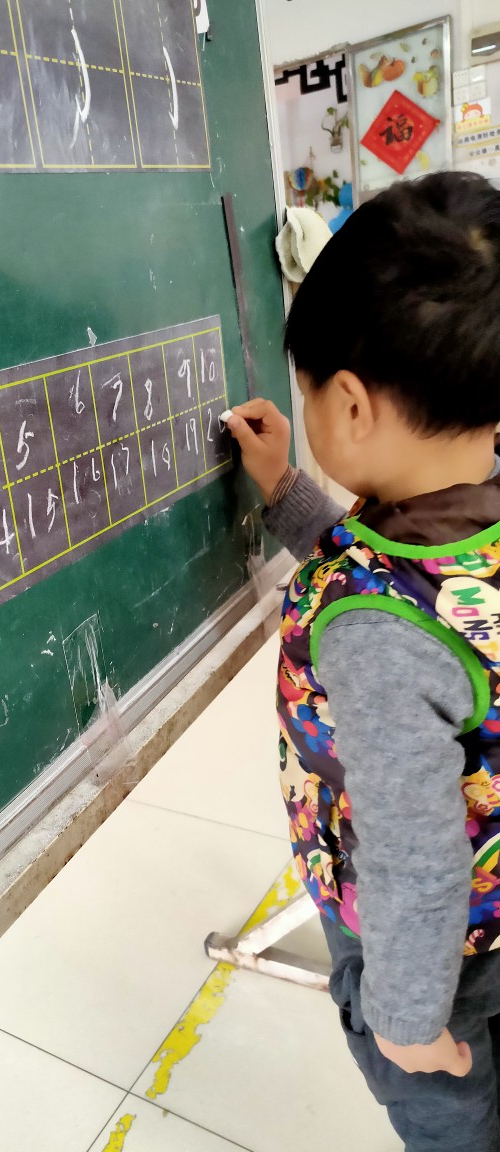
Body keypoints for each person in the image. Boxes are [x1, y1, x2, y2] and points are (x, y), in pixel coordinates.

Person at [224, 170, 500, 1152]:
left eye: (306, 393)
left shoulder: (375, 636)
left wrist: (407, 1020)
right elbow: (397, 567)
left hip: (435, 959)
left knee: (450, 1117)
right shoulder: (473, 507)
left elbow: (414, 856)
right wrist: (286, 491)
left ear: (349, 403)